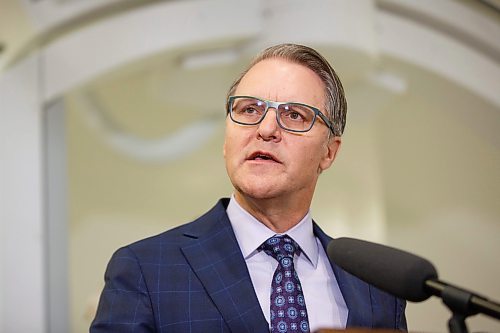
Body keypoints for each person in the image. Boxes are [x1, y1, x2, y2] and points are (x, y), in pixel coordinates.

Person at [90, 43, 407, 333]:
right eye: (249, 110)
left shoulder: (377, 291)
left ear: (329, 152)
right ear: (227, 139)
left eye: (294, 115)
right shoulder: (147, 270)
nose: (266, 129)